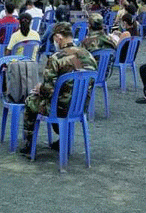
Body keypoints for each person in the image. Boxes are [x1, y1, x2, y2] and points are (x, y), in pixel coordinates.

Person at [19, 22, 97, 156]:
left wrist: (40, 88)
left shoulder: (56, 58)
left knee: (31, 101)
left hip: (59, 108)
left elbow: (48, 90)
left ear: (58, 37)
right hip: (80, 107)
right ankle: (63, 139)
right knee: (58, 99)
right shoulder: (89, 56)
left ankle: (29, 144)